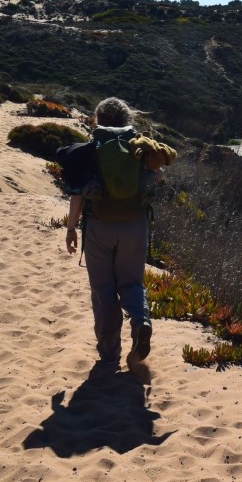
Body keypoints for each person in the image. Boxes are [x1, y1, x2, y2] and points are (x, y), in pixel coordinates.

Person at [65, 97, 171, 370]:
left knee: (103, 290)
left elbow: (77, 193)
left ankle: (109, 354)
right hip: (134, 225)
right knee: (132, 283)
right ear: (127, 119)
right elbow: (160, 183)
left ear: (98, 118)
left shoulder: (92, 147)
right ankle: (140, 321)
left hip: (99, 225)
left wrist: (70, 228)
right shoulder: (139, 145)